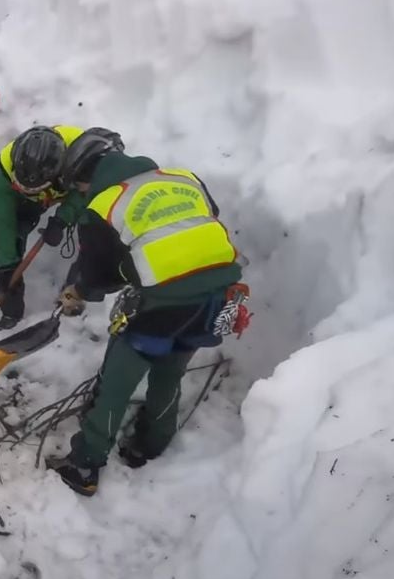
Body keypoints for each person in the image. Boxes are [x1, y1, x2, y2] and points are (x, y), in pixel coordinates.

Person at [45, 141, 247, 496]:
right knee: (170, 369)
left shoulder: (103, 206)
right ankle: (151, 443)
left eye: (79, 187)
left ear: (85, 177)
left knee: (117, 385)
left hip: (163, 304)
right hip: (218, 296)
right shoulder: (184, 178)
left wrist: (79, 291)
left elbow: (97, 277)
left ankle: (85, 465)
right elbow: (190, 227)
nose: (81, 193)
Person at [0, 126, 124, 333]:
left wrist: (62, 219)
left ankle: (74, 299)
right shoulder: (7, 167)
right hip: (39, 196)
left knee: (92, 236)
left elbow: (83, 194)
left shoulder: (83, 157)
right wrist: (6, 268)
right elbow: (2, 222)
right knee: (14, 237)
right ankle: (11, 315)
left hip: (80, 192)